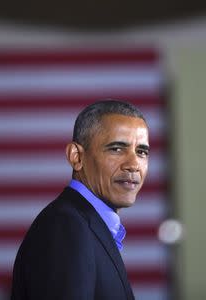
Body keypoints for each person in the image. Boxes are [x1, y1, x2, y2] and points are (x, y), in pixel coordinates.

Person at [11, 100, 150, 300]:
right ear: (76, 156)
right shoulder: (65, 227)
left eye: (142, 152)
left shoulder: (84, 225)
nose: (134, 165)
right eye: (117, 149)